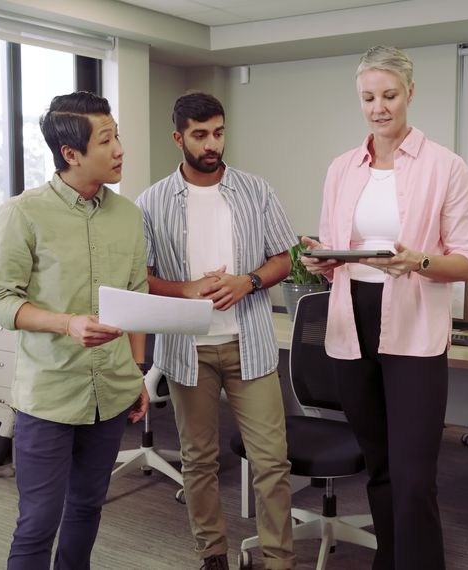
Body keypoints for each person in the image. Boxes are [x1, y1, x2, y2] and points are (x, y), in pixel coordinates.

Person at [300, 46, 468, 570]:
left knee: (413, 473)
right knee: (378, 464)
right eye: (368, 97)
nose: (378, 107)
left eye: (389, 95)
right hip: (350, 319)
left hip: (414, 324)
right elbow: (337, 250)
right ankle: (390, 560)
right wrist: (321, 260)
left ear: (410, 94)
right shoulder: (341, 168)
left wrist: (419, 261)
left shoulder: (446, 167)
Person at [0, 91, 151, 570]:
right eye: (106, 140)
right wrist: (66, 323)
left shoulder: (129, 216)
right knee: (38, 521)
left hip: (111, 393)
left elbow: (135, 297)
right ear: (70, 154)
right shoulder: (22, 213)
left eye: (117, 135)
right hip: (50, 395)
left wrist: (137, 370)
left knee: (87, 509)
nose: (119, 148)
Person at [136, 92, 297, 570]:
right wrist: (186, 289)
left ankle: (279, 559)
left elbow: (286, 257)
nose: (212, 144)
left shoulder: (256, 190)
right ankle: (212, 555)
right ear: (178, 137)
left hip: (249, 343)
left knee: (271, 462)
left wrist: (246, 282)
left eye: (219, 133)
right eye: (201, 135)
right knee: (198, 462)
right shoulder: (152, 201)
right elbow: (142, 275)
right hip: (188, 351)